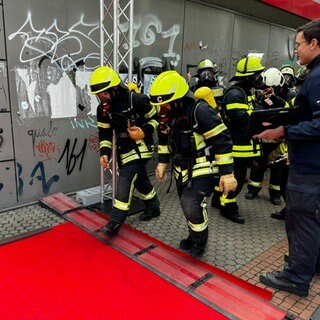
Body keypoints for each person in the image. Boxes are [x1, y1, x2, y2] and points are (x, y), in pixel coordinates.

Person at [257, 19, 320, 297]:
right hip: (312, 163)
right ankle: (310, 262)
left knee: (301, 220)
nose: (296, 51)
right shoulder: (314, 74)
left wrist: (284, 130)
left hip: (310, 168)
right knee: (312, 219)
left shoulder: (317, 78)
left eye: (298, 45)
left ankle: (296, 276)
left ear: (314, 43)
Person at [149, 70, 236, 256]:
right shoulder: (166, 116)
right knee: (185, 204)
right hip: (181, 167)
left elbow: (223, 140)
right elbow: (164, 140)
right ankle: (194, 235)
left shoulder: (200, 111)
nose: (160, 109)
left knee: (190, 203)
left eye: (163, 104)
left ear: (177, 100)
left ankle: (199, 242)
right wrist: (162, 163)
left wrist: (227, 173)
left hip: (203, 164)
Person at [89, 66, 160, 236]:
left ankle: (115, 222)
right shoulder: (103, 110)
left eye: (104, 93)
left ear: (114, 89)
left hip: (141, 145)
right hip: (123, 147)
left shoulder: (135, 100)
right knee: (140, 178)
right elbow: (105, 133)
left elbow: (156, 118)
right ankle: (153, 207)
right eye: (98, 95)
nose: (101, 98)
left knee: (126, 178)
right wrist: (104, 153)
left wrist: (144, 131)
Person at [218, 55, 264, 224]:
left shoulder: (244, 93)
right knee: (235, 178)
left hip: (243, 146)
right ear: (248, 77)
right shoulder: (236, 94)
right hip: (237, 148)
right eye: (257, 75)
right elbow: (242, 120)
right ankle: (228, 207)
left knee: (231, 177)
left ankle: (219, 200)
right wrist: (261, 118)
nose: (259, 78)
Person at [245, 67, 286, 205]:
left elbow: (288, 112)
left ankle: (275, 193)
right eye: (266, 87)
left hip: (278, 141)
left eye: (271, 87)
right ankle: (253, 189)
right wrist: (264, 101)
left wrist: (277, 99)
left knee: (277, 169)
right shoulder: (260, 97)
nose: (268, 90)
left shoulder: (287, 96)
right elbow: (255, 113)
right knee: (257, 165)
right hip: (262, 139)